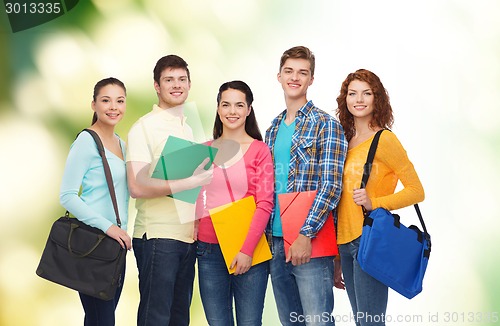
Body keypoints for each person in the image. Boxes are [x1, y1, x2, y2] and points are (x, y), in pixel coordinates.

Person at [126, 54, 213, 326]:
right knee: (156, 318)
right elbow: (136, 185)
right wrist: (189, 183)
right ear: (157, 85)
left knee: (179, 319)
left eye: (182, 79)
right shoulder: (144, 127)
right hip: (157, 237)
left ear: (189, 84)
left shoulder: (188, 128)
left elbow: (194, 191)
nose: (176, 85)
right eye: (169, 80)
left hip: (187, 239)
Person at [334, 69, 425, 326]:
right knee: (362, 321)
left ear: (377, 99)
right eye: (353, 93)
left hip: (369, 239)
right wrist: (337, 256)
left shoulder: (385, 140)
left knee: (370, 323)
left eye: (367, 93)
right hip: (344, 243)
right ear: (346, 99)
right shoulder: (345, 140)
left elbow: (417, 190)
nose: (359, 99)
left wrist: (375, 202)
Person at [265, 46, 347, 326]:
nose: (295, 78)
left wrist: (305, 234)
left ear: (311, 79)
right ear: (279, 76)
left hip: (309, 242)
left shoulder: (326, 124)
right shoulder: (273, 128)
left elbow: (332, 186)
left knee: (317, 322)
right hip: (274, 241)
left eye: (303, 72)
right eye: (289, 71)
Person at [195, 80, 274, 325]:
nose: (232, 111)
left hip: (249, 248)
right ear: (218, 108)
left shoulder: (260, 150)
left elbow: (265, 203)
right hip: (208, 249)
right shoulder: (204, 149)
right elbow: (194, 194)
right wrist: (196, 224)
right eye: (226, 104)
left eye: (239, 105)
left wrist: (246, 250)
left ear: (249, 110)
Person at [59, 77, 132, 326]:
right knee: (102, 320)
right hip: (93, 244)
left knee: (98, 319)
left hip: (116, 248)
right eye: (106, 100)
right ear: (94, 105)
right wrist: (109, 227)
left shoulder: (122, 144)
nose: (113, 107)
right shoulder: (86, 142)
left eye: (119, 101)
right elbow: (67, 195)